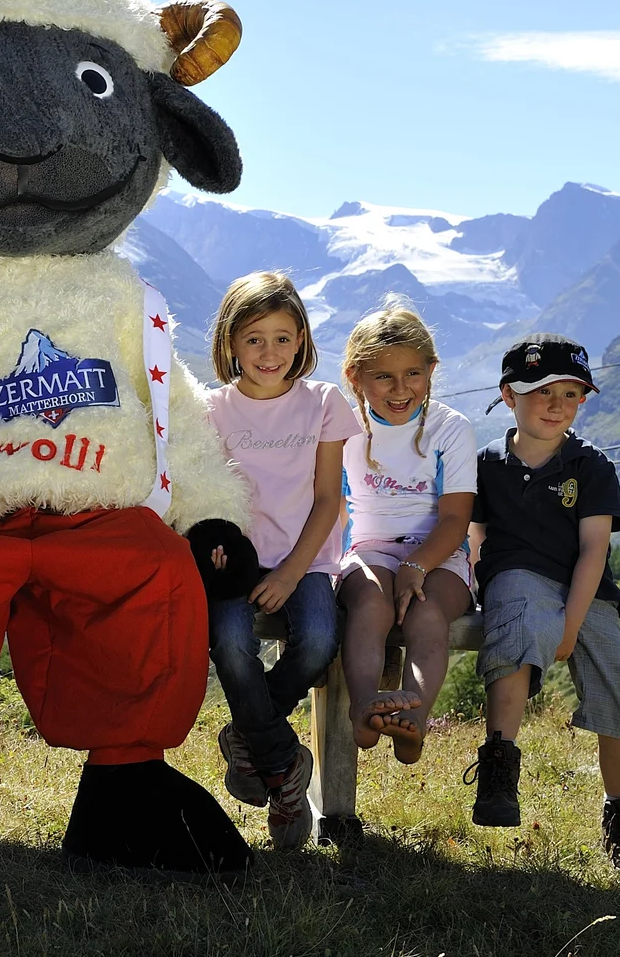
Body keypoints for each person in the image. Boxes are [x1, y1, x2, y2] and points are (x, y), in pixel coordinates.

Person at [465, 334, 620, 880]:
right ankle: (500, 764)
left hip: (583, 587)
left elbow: (595, 550)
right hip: (516, 576)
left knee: (615, 683)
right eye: (542, 391)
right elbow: (474, 535)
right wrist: (474, 587)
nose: (556, 405)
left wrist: (571, 627)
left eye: (571, 395)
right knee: (520, 624)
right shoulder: (486, 464)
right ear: (508, 396)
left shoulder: (591, 466)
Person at [201, 272, 355, 850]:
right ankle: (286, 770)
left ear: (303, 341)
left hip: (307, 557)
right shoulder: (213, 409)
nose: (270, 352)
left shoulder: (322, 404)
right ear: (230, 343)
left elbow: (326, 499)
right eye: (254, 338)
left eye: (283, 337)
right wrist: (211, 539)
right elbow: (207, 492)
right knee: (232, 644)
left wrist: (293, 570)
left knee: (317, 639)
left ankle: (247, 736)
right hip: (236, 562)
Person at [335, 301, 475, 765]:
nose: (400, 390)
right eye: (383, 377)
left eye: (413, 374)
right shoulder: (343, 427)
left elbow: (456, 519)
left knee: (428, 612)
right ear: (355, 376)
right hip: (368, 548)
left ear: (432, 370)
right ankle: (364, 709)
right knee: (371, 602)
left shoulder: (450, 429)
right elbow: (330, 505)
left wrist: (417, 566)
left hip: (440, 553)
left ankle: (413, 719)